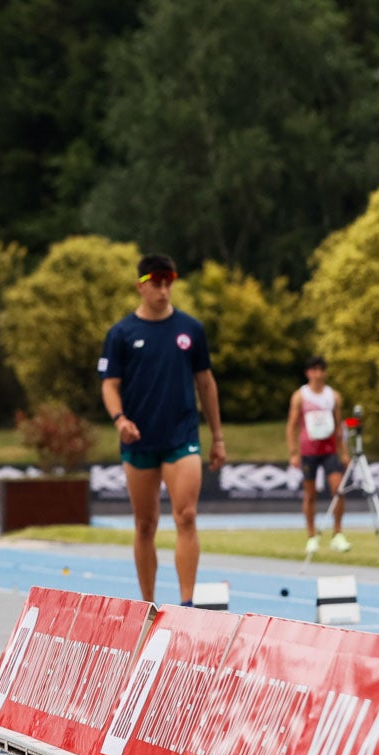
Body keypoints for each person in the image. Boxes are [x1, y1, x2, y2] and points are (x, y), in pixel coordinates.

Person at [99, 253, 225, 605]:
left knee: (186, 516)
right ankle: (148, 604)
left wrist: (217, 437)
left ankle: (187, 604)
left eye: (169, 282)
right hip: (139, 440)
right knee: (145, 524)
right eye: (156, 283)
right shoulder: (121, 334)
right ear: (141, 285)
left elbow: (206, 384)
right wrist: (120, 419)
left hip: (181, 437)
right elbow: (109, 385)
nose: (164, 290)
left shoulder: (191, 330)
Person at [285, 355, 351, 554]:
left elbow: (339, 426)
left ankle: (338, 533)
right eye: (314, 370)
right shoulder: (300, 396)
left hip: (330, 450)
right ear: (308, 373)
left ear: (325, 372)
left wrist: (344, 452)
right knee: (310, 495)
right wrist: (293, 452)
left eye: (321, 370)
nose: (318, 374)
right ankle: (312, 536)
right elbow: (292, 426)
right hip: (309, 451)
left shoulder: (333, 396)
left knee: (338, 490)